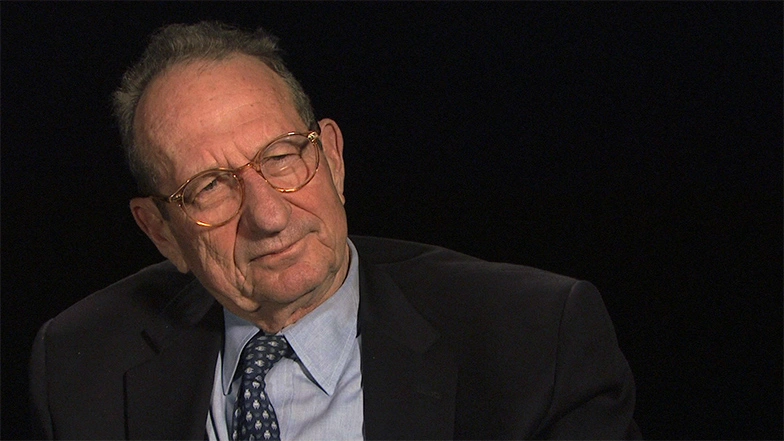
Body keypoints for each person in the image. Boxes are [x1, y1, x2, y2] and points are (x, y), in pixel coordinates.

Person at [30, 21, 640, 440]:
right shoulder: (80, 366)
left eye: (281, 157)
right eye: (211, 187)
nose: (269, 217)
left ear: (332, 157)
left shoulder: (536, 342)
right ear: (162, 232)